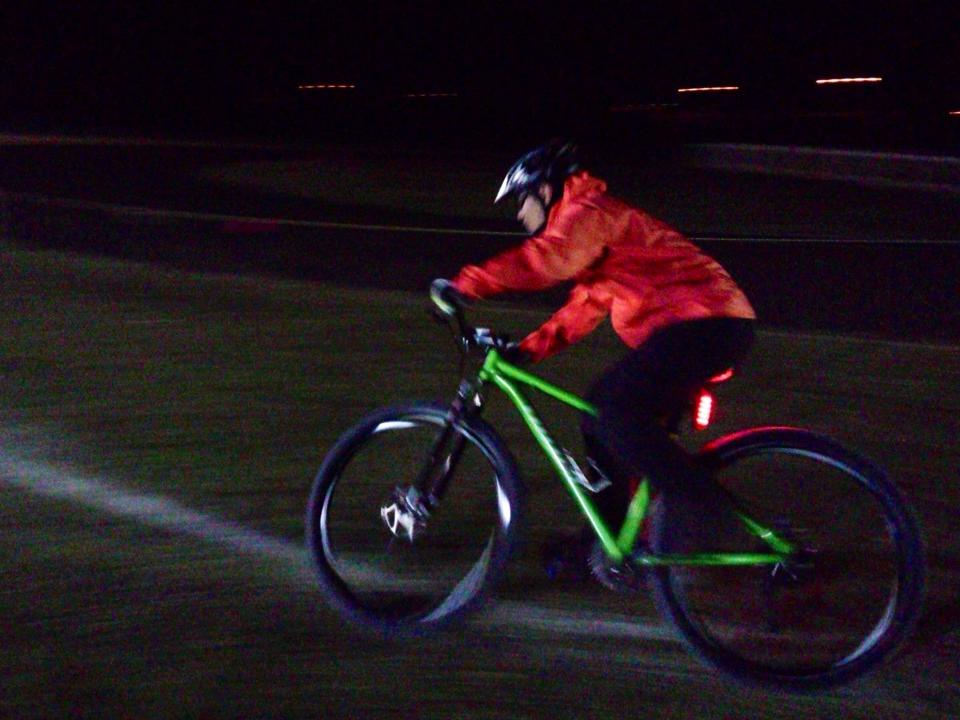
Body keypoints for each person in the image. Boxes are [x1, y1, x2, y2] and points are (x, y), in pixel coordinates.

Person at [431, 140, 757, 578]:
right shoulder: (594, 232)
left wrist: (466, 285)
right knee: (597, 419)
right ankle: (604, 546)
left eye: (522, 201)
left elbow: (545, 262)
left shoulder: (587, 213)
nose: (520, 214)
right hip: (700, 327)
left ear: (545, 190)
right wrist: (528, 350)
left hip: (705, 323)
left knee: (611, 406)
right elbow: (584, 307)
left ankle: (704, 510)